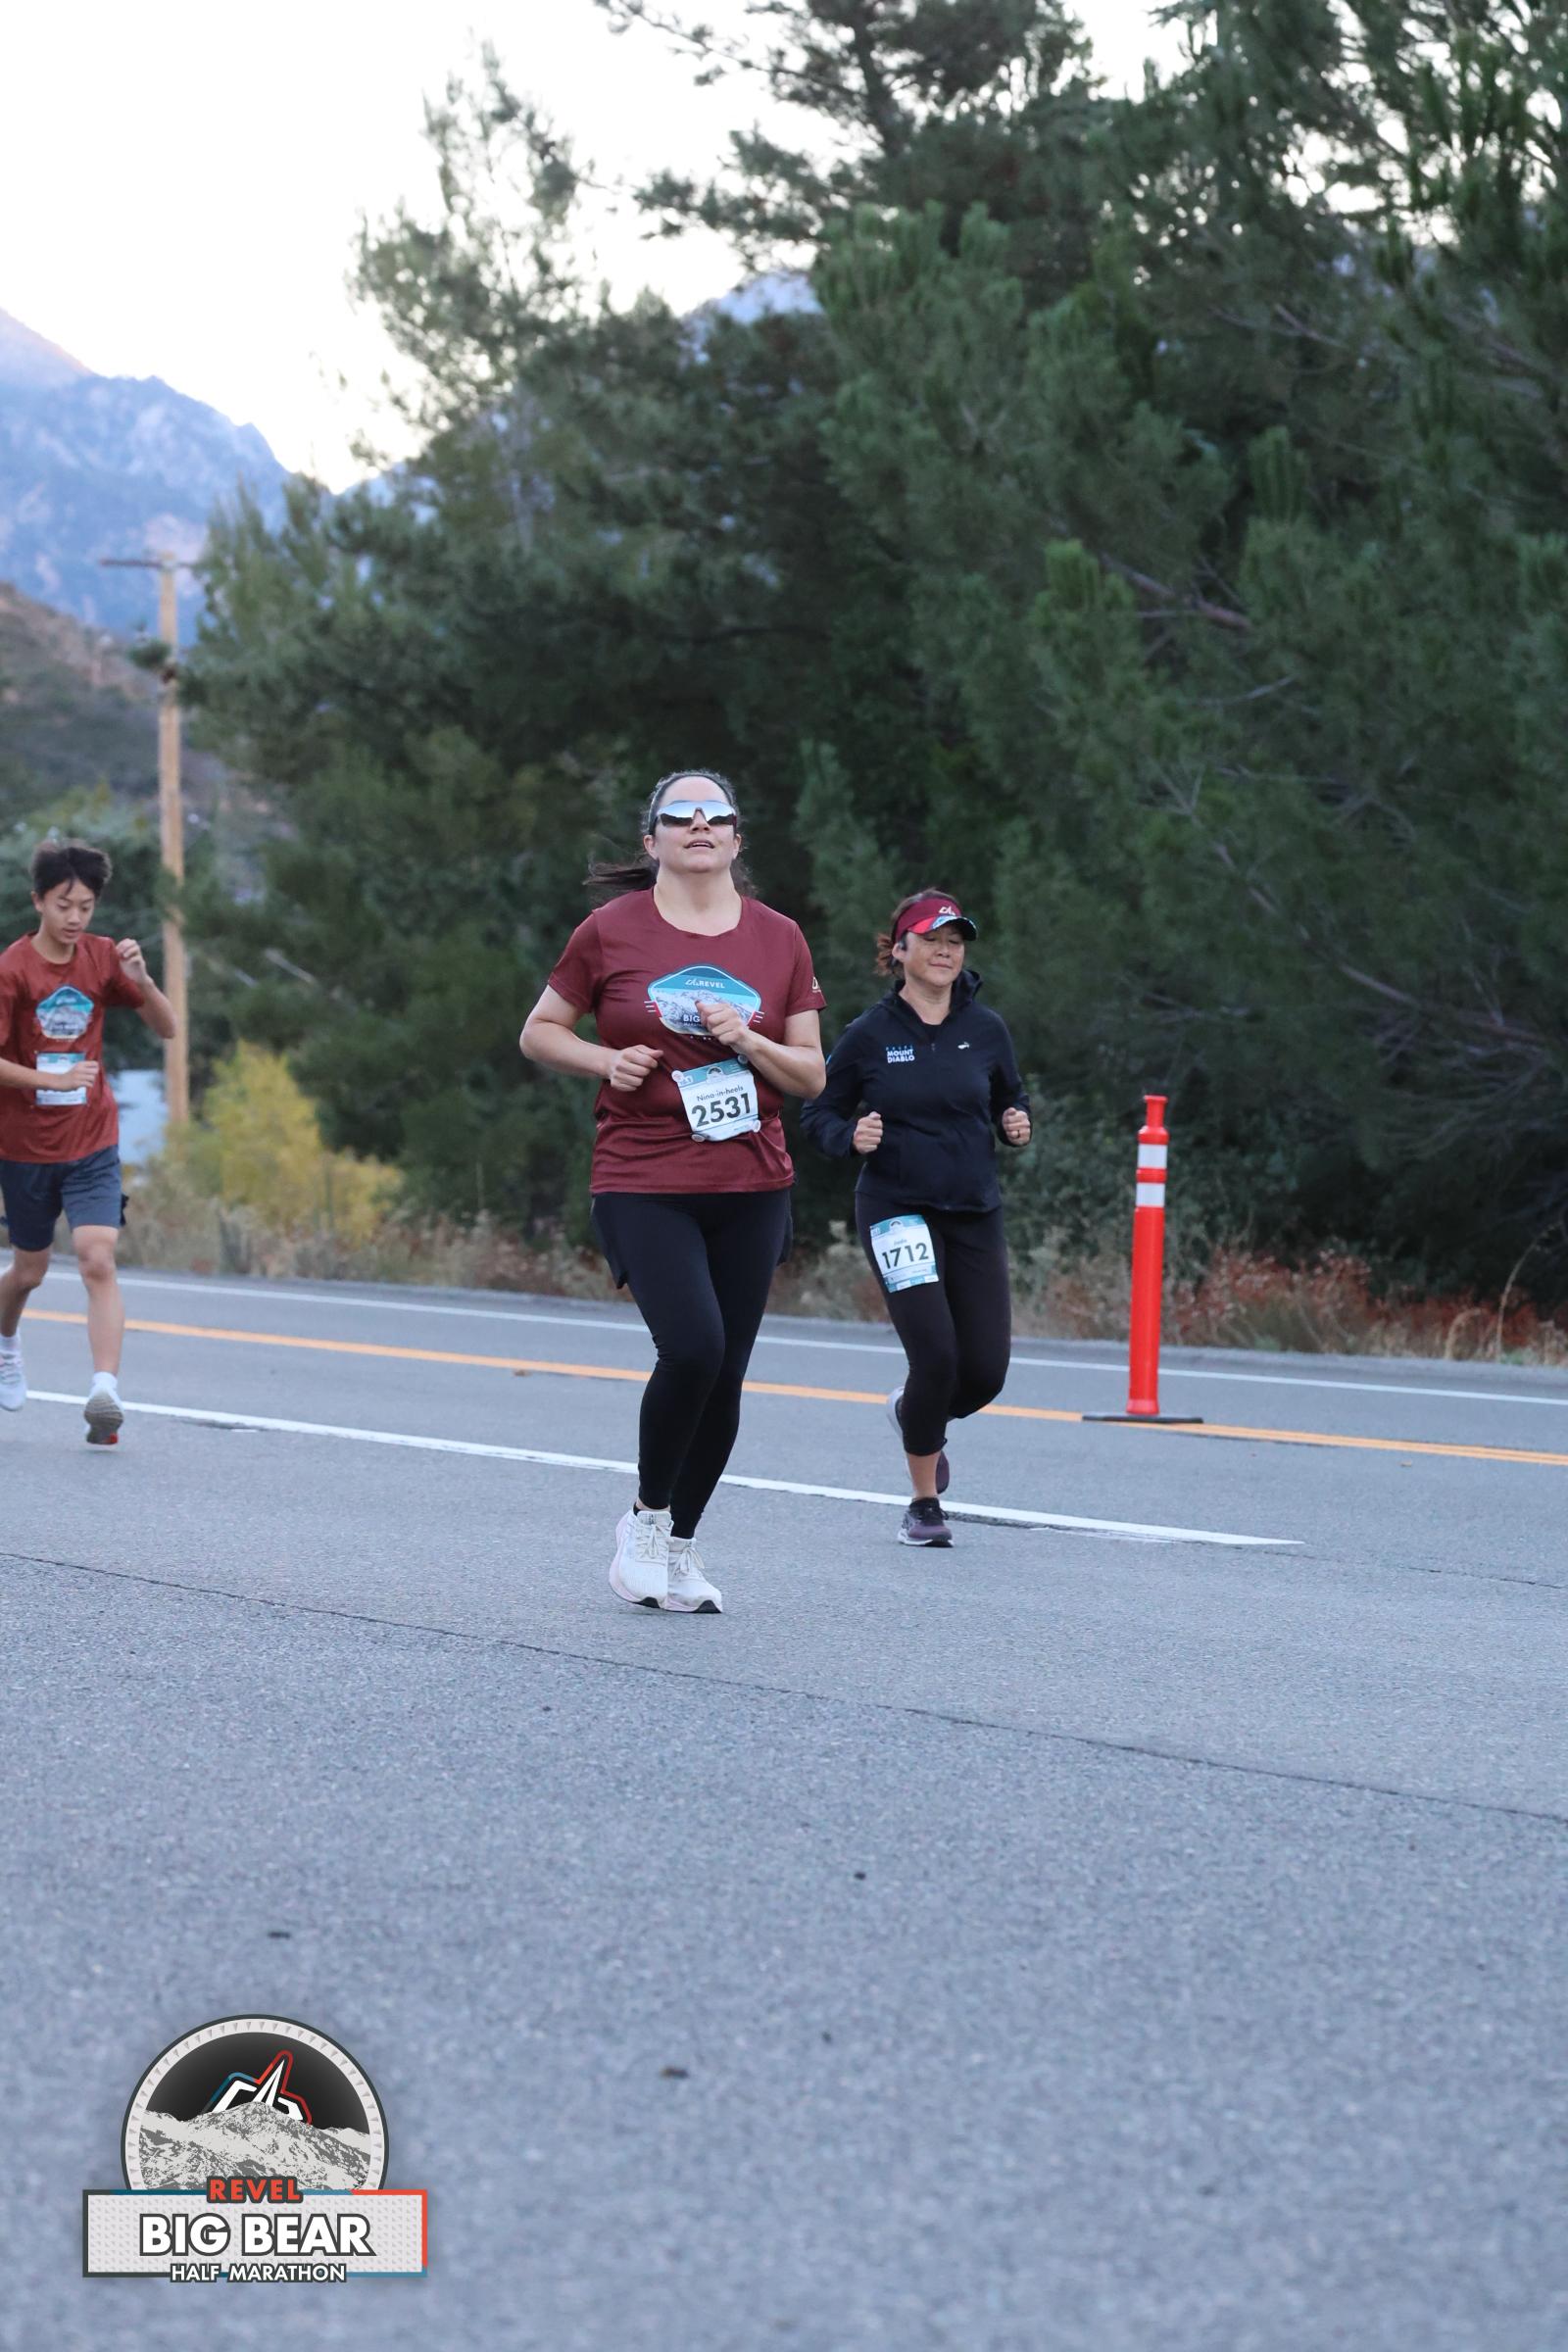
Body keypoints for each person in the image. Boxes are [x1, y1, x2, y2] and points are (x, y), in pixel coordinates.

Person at [520, 770, 825, 1612]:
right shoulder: (610, 930)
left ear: (736, 837)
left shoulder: (779, 938)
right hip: (643, 1174)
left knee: (725, 1375)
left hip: (752, 1180)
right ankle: (645, 1522)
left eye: (715, 815)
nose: (699, 825)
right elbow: (539, 1032)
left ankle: (680, 1548)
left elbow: (811, 1073)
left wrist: (750, 1042)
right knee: (692, 1346)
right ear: (651, 839)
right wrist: (605, 1059)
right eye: (679, 816)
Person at [801, 890, 1031, 1546]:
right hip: (896, 1208)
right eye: (931, 940)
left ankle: (914, 1414)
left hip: (973, 1209)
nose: (945, 951)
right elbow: (818, 1112)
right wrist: (850, 1137)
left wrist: (1015, 1122)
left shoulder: (987, 1029)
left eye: (955, 942)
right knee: (935, 1355)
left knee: (983, 1371)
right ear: (899, 950)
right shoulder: (869, 1034)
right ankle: (924, 1504)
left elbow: (1010, 1097)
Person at [0, 838, 178, 1443]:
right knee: (28, 1272)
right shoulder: (12, 969)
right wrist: (49, 1079)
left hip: (92, 1140)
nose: (76, 918)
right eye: (64, 905)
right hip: (24, 1147)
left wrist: (142, 980)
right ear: (38, 901)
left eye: (86, 906)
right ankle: (6, 1343)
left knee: (97, 1258)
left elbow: (167, 1028)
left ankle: (105, 1392)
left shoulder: (103, 958)